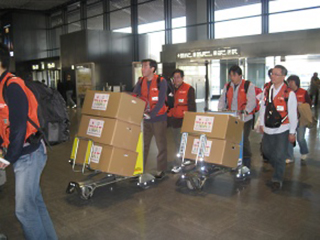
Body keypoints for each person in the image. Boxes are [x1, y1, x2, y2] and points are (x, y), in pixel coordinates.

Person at [0, 44, 57, 240]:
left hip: (29, 154)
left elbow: (19, 126)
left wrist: (9, 157)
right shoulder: (2, 85)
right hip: (23, 154)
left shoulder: (12, 86)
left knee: (24, 210)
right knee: (35, 203)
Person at [259, 65, 298, 191]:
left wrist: (292, 132)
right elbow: (262, 108)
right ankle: (278, 167)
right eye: (272, 73)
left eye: (276, 74)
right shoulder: (267, 90)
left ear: (283, 77)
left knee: (280, 155)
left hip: (283, 128)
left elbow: (293, 114)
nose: (272, 76)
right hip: (268, 128)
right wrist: (261, 124)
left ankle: (277, 179)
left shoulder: (289, 94)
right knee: (266, 151)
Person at [133, 59, 168, 178]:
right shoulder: (141, 81)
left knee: (161, 144)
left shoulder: (161, 81)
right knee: (143, 145)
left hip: (158, 118)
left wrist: (152, 114)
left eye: (145, 66)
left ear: (152, 68)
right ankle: (139, 168)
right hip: (146, 119)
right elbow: (135, 95)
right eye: (142, 67)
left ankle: (161, 169)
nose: (143, 69)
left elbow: (161, 100)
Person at [218, 65, 256, 169]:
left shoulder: (248, 85)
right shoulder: (227, 86)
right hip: (232, 117)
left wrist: (245, 112)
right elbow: (222, 100)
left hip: (245, 119)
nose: (232, 78)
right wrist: (220, 111)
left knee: (244, 140)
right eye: (230, 75)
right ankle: (235, 161)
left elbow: (252, 101)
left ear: (240, 75)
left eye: (234, 75)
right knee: (233, 140)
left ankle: (247, 161)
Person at [168, 69, 196, 173]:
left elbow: (192, 106)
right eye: (174, 78)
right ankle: (180, 162)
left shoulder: (189, 89)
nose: (176, 79)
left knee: (184, 143)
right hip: (174, 120)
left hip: (184, 121)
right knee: (176, 142)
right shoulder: (170, 90)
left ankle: (184, 163)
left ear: (182, 78)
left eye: (178, 77)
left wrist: (191, 121)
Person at [287, 75, 312, 164]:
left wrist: (301, 105)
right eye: (289, 81)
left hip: (301, 119)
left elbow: (309, 104)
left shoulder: (303, 92)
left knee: (300, 138)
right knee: (289, 138)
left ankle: (304, 152)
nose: (290, 83)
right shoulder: (287, 92)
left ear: (296, 82)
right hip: (290, 119)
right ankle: (289, 156)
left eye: (292, 81)